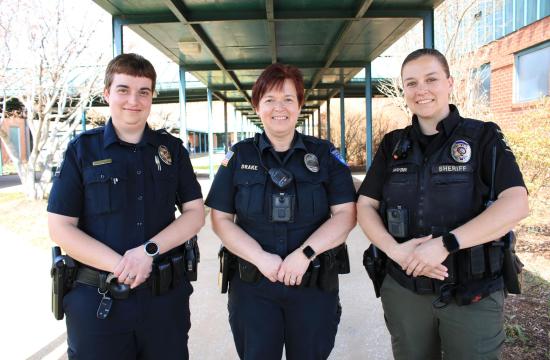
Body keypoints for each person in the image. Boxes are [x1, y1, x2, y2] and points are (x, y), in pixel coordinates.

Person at [357, 48, 529, 359]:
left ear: (449, 83)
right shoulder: (393, 145)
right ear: (404, 90)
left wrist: (446, 244)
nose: (421, 90)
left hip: (471, 291)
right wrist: (393, 250)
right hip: (405, 289)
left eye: (431, 79)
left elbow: (516, 203)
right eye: (411, 83)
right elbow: (366, 206)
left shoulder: (483, 138)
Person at [47, 53, 205, 360]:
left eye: (143, 91)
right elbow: (60, 227)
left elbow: (195, 212)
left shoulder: (171, 150)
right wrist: (122, 266)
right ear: (107, 93)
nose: (133, 100)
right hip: (98, 303)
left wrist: (148, 252)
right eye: (123, 89)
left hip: (164, 302)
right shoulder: (82, 151)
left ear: (151, 97)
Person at [206, 63, 356, 360]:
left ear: (300, 104)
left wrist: (305, 254)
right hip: (253, 287)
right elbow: (220, 220)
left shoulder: (325, 154)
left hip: (312, 284)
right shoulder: (238, 156)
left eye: (288, 99)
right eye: (270, 100)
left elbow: (346, 214)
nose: (279, 108)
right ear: (257, 106)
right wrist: (260, 258)